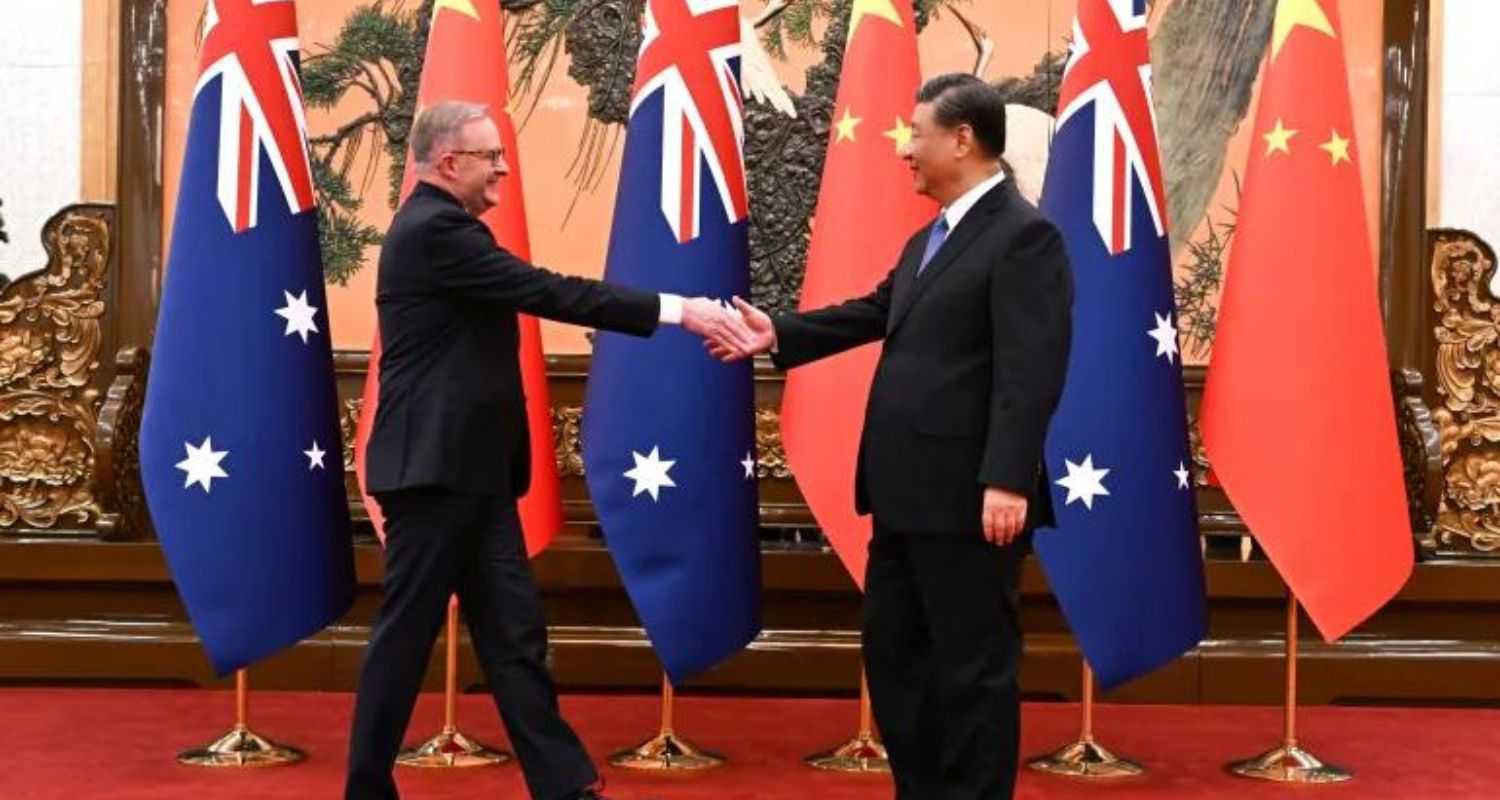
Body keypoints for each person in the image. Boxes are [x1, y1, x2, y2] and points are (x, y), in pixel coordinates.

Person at [346, 100, 749, 800]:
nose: (504, 165)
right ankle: (365, 789)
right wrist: (680, 310)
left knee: (514, 636)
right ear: (449, 163)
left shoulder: (451, 229)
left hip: (474, 474)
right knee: (406, 637)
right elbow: (549, 292)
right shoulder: (436, 232)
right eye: (490, 154)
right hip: (435, 474)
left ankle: (562, 784)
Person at [712, 74, 1074, 799]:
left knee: (971, 672)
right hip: (904, 497)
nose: (907, 150)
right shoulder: (928, 240)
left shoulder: (1023, 235)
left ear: (963, 139)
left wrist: (1007, 477)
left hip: (972, 501)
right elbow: (874, 312)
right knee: (899, 665)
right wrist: (776, 332)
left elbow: (1031, 370)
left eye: (918, 133)